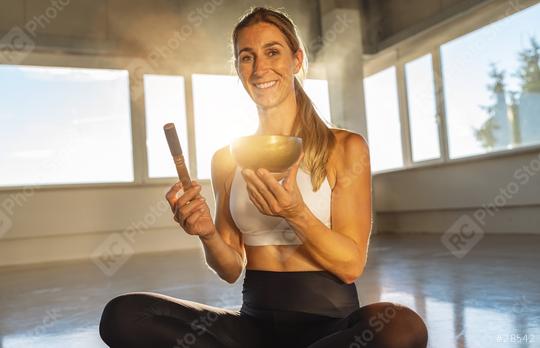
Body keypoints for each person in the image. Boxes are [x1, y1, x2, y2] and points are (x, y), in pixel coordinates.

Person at [99, 6, 428, 348]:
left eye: (273, 52)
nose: (259, 68)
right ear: (238, 69)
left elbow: (350, 266)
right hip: (253, 330)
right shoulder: (227, 159)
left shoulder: (344, 147)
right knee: (122, 314)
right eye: (247, 57)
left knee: (403, 327)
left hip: (331, 329)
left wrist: (296, 213)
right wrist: (208, 234)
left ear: (297, 60)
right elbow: (229, 269)